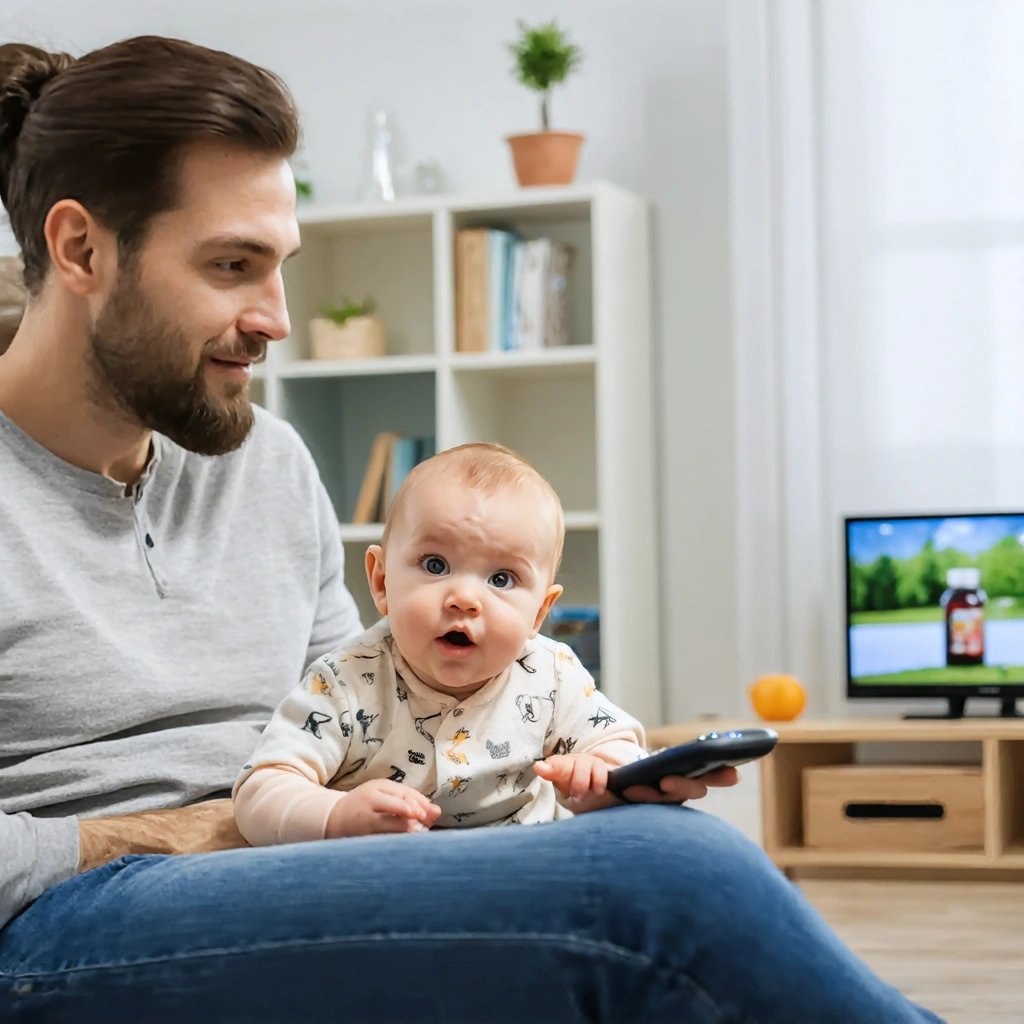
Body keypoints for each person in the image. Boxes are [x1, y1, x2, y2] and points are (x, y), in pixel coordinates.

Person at [0, 34, 945, 1024]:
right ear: (81, 249)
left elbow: (378, 691)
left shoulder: (262, 463)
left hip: (306, 852)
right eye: (233, 264)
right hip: (63, 921)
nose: (277, 316)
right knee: (665, 891)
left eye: (280, 265)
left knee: (661, 868)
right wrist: (201, 827)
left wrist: (551, 778)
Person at [233, 443, 651, 845]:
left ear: (539, 614)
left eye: (501, 579)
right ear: (381, 582)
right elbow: (260, 792)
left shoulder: (552, 675)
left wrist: (600, 774)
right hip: (385, 874)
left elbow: (623, 749)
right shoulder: (344, 683)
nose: (464, 599)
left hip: (524, 869)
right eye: (436, 565)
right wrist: (334, 815)